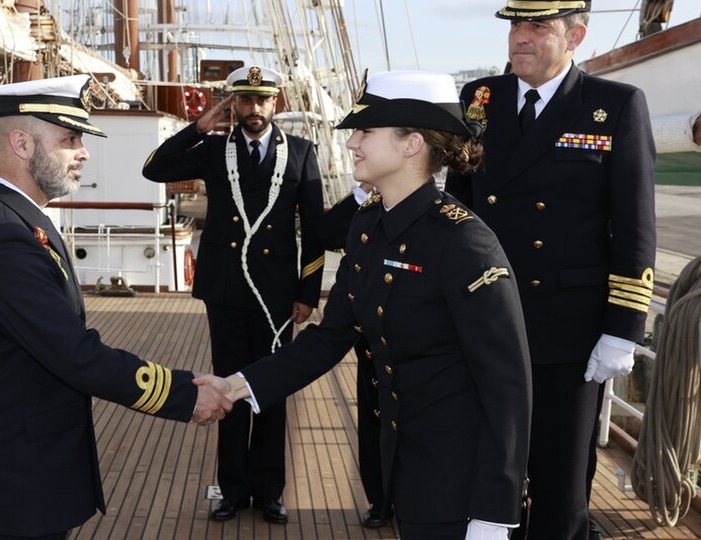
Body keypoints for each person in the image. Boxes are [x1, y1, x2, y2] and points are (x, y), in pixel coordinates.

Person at [202, 70, 534, 539]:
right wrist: (238, 385)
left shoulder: (465, 244)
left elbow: (507, 389)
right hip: (405, 461)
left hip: (461, 476)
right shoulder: (368, 225)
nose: (353, 142)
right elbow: (330, 337)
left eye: (366, 131)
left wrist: (494, 514)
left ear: (411, 144)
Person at [0, 74, 231, 539]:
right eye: (70, 139)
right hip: (15, 483)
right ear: (20, 143)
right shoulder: (3, 236)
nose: (83, 152)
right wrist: (184, 393)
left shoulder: (18, 220)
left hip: (31, 472)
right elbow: (74, 354)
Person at [445, 2, 656, 538]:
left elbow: (635, 226)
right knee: (488, 468)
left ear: (575, 36)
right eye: (516, 25)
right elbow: (460, 205)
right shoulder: (480, 98)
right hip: (486, 316)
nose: (520, 37)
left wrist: (623, 329)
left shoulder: (614, 105)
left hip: (570, 328)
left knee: (560, 484)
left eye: (537, 26)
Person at [142, 65, 325, 524]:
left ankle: (269, 492)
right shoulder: (212, 148)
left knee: (272, 391)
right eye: (245, 101)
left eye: (262, 100)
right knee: (227, 390)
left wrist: (308, 292)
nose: (254, 110)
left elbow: (315, 233)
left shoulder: (301, 153)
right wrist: (196, 128)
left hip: (277, 296)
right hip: (225, 290)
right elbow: (154, 169)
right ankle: (231, 490)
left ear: (275, 102)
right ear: (234, 105)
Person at [318, 182, 392, 529]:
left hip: (415, 342)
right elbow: (327, 233)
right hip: (371, 338)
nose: (354, 147)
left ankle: (406, 498)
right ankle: (380, 500)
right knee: (373, 417)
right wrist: (363, 193)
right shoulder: (367, 204)